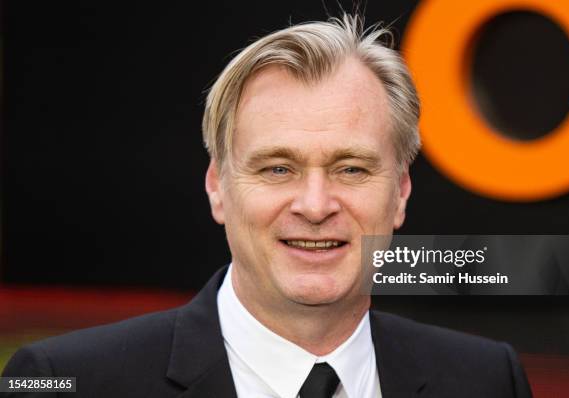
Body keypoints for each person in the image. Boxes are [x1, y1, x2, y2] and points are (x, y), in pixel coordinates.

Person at [3, 14, 532, 398]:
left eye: (351, 168)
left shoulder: (486, 379)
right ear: (217, 188)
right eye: (278, 168)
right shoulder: (63, 381)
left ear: (400, 194)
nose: (316, 204)